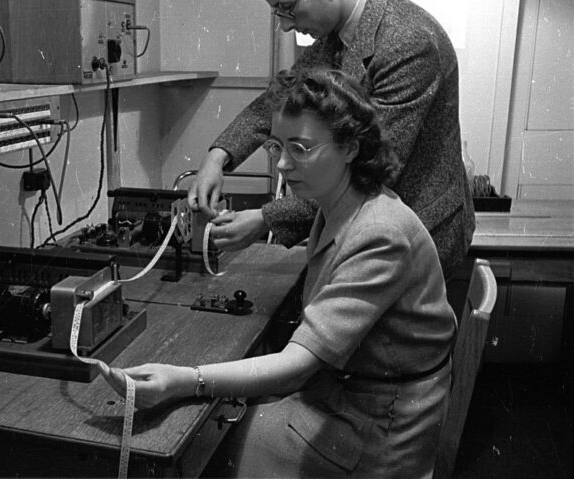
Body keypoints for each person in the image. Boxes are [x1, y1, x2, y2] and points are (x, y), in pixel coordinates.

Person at [102, 68, 457, 478]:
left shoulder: (381, 234)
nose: (284, 165)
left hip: (381, 425)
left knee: (214, 446)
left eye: (301, 148)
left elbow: (299, 364)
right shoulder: (341, 206)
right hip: (353, 391)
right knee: (226, 423)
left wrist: (185, 379)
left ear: (350, 148)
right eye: (278, 148)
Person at [189, 0, 475, 276]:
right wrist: (218, 156)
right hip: (369, 225)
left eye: (288, 6)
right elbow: (284, 102)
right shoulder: (341, 35)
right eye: (277, 11)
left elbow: (371, 168)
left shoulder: (408, 42)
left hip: (414, 232)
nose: (286, 25)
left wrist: (266, 219)